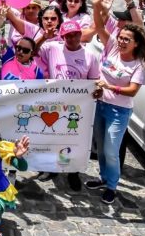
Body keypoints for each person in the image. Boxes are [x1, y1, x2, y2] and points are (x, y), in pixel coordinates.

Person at [88, 0, 145, 204]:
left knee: (111, 149)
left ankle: (112, 186)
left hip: (119, 110)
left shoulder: (139, 64)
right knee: (100, 147)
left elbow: (132, 90)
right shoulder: (113, 47)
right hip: (100, 105)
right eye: (121, 37)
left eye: (127, 39)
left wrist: (109, 86)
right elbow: (98, 26)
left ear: (136, 43)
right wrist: (97, 4)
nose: (122, 41)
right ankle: (103, 178)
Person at [34, 20, 101, 190]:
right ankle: (50, 168)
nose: (72, 39)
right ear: (62, 37)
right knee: (52, 136)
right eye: (68, 36)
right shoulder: (52, 47)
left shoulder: (90, 56)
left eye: (75, 35)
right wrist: (43, 37)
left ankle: (73, 172)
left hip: (77, 106)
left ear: (81, 35)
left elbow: (94, 81)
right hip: (54, 103)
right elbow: (32, 51)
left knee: (73, 140)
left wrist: (97, 91)